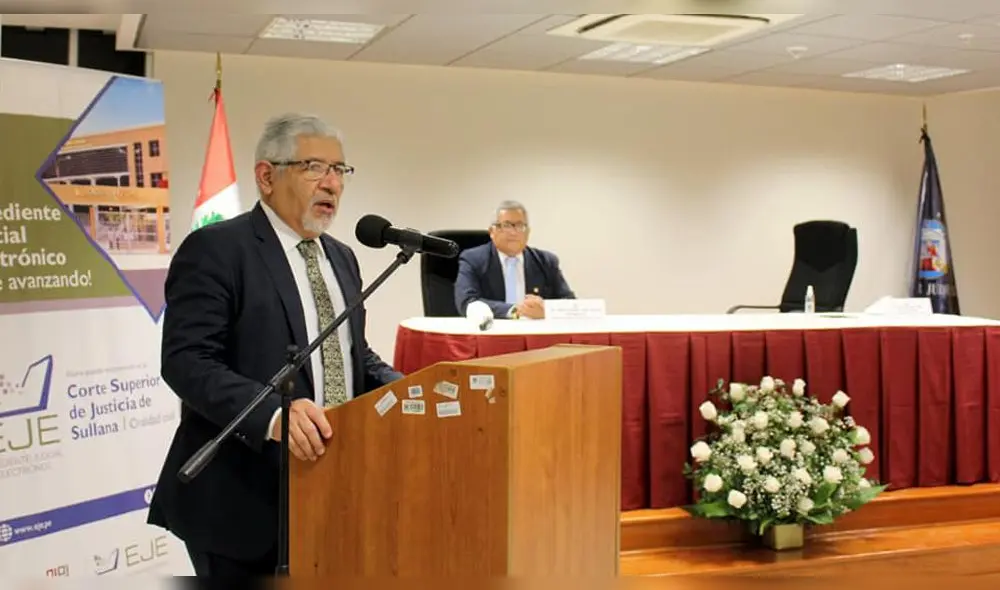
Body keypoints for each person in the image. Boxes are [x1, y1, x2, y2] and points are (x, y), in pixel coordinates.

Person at [146, 113, 403, 577]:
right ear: (266, 176)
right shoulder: (217, 249)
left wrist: (402, 386)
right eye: (314, 167)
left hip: (331, 490)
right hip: (241, 502)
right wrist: (271, 415)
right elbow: (187, 361)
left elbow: (349, 352)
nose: (331, 184)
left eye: (340, 170)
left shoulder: (341, 257)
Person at [454, 200, 575, 319]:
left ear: (527, 232)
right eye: (506, 225)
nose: (513, 232)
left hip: (535, 333)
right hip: (492, 332)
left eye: (520, 226)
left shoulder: (546, 261)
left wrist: (546, 309)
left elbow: (570, 303)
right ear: (492, 231)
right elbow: (467, 301)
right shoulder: (473, 259)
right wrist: (515, 311)